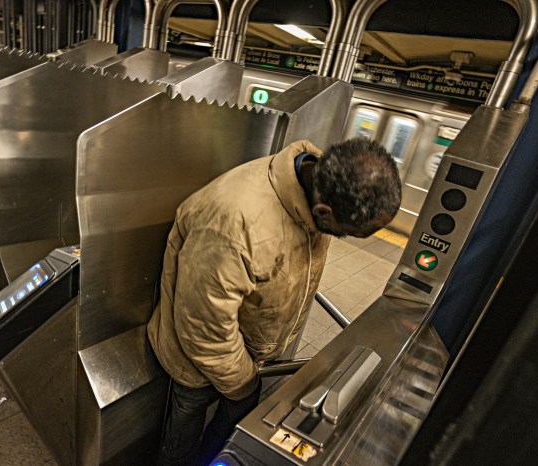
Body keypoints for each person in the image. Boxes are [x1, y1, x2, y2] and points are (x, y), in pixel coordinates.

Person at [147, 137, 402, 466]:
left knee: (228, 427)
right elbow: (203, 332)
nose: (350, 238)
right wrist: (243, 384)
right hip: (195, 361)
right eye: (350, 232)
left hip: (248, 354)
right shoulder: (232, 224)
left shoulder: (322, 182)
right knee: (183, 436)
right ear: (323, 212)